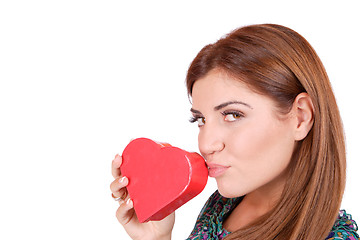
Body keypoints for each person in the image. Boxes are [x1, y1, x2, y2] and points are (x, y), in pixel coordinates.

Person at [110, 24, 359, 239]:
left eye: (233, 115)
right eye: (200, 119)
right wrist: (157, 237)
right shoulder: (221, 206)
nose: (206, 144)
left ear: (301, 118)